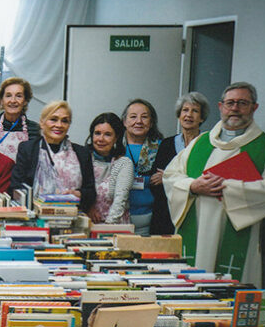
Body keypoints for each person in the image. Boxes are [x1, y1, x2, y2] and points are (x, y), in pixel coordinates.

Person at [163, 82, 265, 286]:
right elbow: (171, 175)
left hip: (235, 232)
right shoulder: (200, 142)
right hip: (197, 227)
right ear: (221, 106)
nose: (235, 108)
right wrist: (193, 186)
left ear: (254, 107)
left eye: (242, 103)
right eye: (230, 103)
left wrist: (227, 187)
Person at [11, 100, 95, 213]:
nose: (59, 125)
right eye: (53, 119)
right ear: (42, 122)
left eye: (65, 121)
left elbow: (91, 192)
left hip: (72, 217)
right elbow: (16, 186)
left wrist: (78, 194)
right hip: (35, 217)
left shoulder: (82, 153)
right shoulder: (28, 149)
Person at [149, 92, 210, 235]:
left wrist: (169, 177)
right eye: (185, 110)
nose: (189, 115)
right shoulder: (166, 144)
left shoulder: (207, 145)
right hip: (165, 212)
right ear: (179, 115)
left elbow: (206, 178)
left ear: (201, 118)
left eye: (195, 111)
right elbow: (154, 180)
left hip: (196, 210)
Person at [121, 99, 165, 235]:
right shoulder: (114, 147)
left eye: (144, 117)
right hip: (119, 217)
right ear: (124, 121)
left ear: (151, 123)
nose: (139, 121)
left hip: (152, 218)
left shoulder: (163, 147)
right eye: (133, 117)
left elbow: (177, 175)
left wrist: (167, 176)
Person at [85, 112, 134, 224]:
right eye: (97, 133)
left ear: (116, 137)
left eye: (107, 134)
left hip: (114, 226)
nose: (101, 139)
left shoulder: (123, 163)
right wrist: (88, 207)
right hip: (86, 224)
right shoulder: (82, 158)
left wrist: (107, 227)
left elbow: (120, 200)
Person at [0, 77, 41, 161]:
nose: (13, 100)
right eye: (8, 96)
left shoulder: (36, 130)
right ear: (1, 100)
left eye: (18, 96)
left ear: (25, 101)